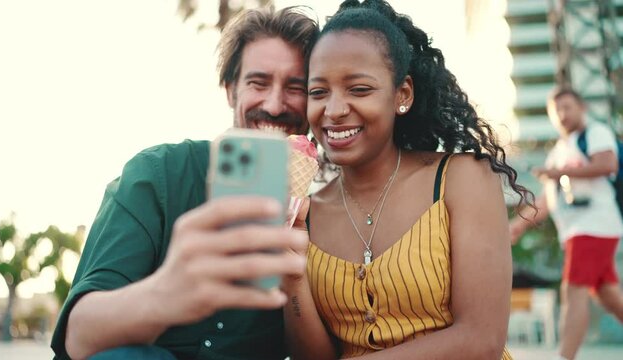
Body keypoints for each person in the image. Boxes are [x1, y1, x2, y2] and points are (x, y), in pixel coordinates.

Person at [50, 6, 319, 360]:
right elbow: (79, 337)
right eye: (258, 82)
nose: (273, 104)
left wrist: (293, 279)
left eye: (295, 87)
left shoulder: (324, 214)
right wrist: (169, 293)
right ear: (230, 91)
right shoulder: (157, 174)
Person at [281, 1, 533, 359]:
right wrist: (292, 278)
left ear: (403, 95)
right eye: (319, 92)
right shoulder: (308, 215)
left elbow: (481, 340)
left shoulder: (462, 181)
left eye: (359, 89)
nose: (333, 110)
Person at [510, 87, 623, 360]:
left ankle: (564, 357)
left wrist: (558, 172)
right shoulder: (560, 149)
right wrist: (518, 224)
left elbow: (608, 164)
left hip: (594, 226)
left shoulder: (595, 133)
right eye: (556, 110)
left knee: (573, 290)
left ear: (581, 107)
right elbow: (547, 200)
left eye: (567, 107)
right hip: (576, 231)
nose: (562, 114)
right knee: (606, 294)